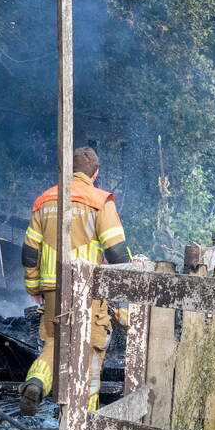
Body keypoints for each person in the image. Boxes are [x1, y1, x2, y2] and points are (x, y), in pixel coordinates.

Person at [19, 146, 128, 414]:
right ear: (96, 173)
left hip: (52, 288)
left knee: (56, 342)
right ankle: (84, 417)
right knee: (89, 346)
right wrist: (124, 291)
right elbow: (115, 250)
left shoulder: (44, 200)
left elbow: (29, 251)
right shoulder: (99, 200)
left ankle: (36, 381)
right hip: (88, 289)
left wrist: (33, 287)